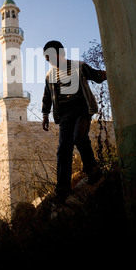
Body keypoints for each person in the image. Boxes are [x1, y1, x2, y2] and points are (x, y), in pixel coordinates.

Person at [42, 40, 107, 201]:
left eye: (49, 55)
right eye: (46, 57)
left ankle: (93, 171)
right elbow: (47, 97)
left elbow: (97, 76)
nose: (47, 59)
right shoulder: (50, 76)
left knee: (79, 137)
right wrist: (45, 115)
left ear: (60, 53)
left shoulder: (79, 66)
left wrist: (110, 70)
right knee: (63, 149)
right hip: (64, 117)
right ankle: (63, 188)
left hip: (82, 111)